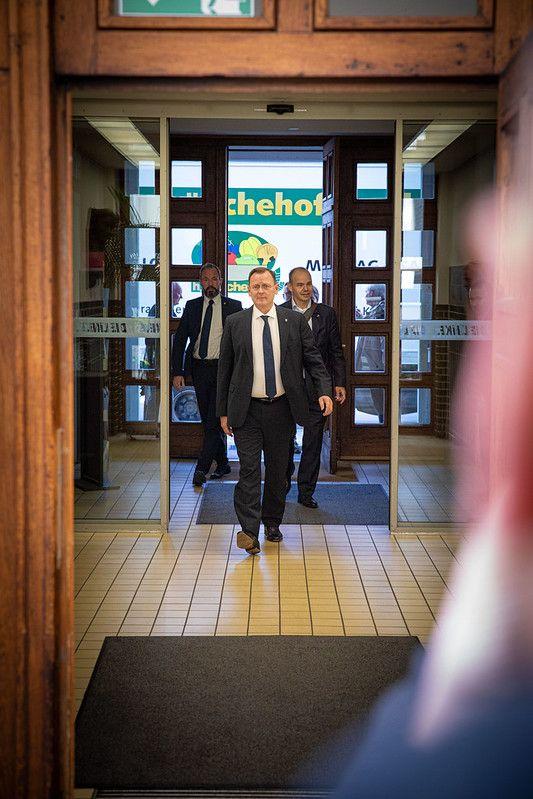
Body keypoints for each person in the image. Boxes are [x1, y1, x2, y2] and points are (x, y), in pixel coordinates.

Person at [216, 266, 333, 555]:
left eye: (266, 286)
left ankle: (271, 522)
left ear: (276, 288)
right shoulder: (235, 322)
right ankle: (249, 532)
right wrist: (223, 412)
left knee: (279, 471)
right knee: (249, 470)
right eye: (255, 286)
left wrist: (324, 390)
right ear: (248, 290)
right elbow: (224, 370)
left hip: (282, 409)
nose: (261, 291)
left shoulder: (293, 321)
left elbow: (313, 359)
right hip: (246, 410)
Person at [172, 263, 242, 486]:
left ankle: (201, 468)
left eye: (214, 279)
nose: (210, 283)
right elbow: (180, 339)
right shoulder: (192, 306)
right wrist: (177, 371)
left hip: (223, 370)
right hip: (199, 368)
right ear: (200, 282)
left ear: (221, 281)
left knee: (214, 418)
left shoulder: (234, 306)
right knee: (209, 420)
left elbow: (241, 343)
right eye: (206, 279)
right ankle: (222, 463)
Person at [281, 267, 346, 508]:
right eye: (300, 285)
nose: (305, 289)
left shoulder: (326, 314)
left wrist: (338, 383)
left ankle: (306, 492)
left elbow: (336, 351)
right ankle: (282, 484)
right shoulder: (279, 312)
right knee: (284, 441)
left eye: (308, 284)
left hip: (318, 389)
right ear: (290, 287)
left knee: (313, 442)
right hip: (287, 389)